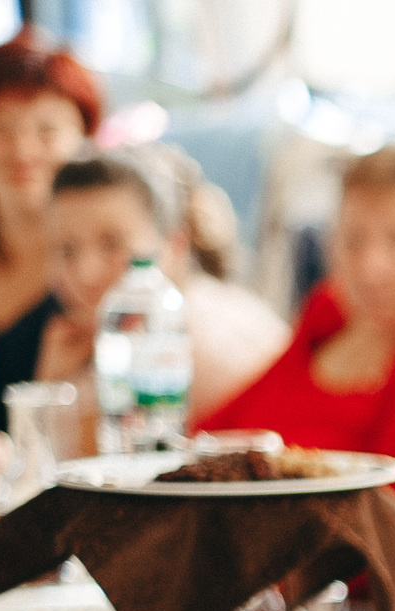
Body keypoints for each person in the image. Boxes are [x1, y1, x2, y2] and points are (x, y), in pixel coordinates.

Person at [198, 143, 395, 525]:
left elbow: (387, 522)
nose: (370, 266)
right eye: (353, 239)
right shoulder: (332, 309)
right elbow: (218, 429)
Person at [39, 150, 289, 432]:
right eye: (66, 250)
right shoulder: (91, 337)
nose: (86, 272)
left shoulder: (187, 333)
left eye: (111, 244)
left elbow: (85, 461)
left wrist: (52, 391)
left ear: (175, 244)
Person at [0, 28, 99, 433]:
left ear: (86, 138)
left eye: (47, 130)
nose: (22, 150)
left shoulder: (103, 271)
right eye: (0, 128)